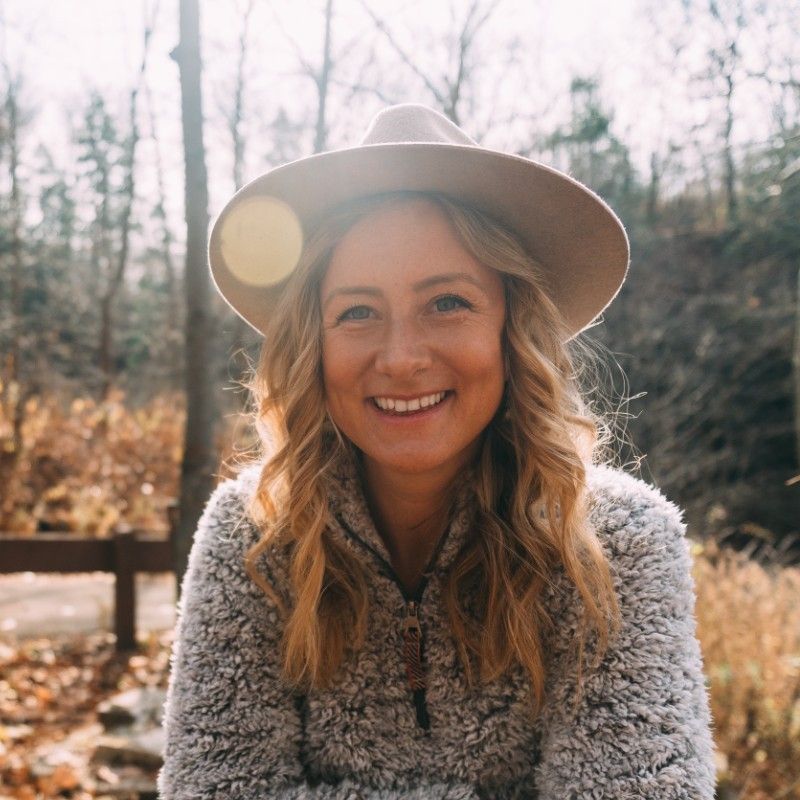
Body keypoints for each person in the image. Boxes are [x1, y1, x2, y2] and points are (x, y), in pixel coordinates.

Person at [157, 104, 716, 799]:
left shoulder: (618, 544)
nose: (401, 358)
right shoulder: (252, 537)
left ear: (514, 329)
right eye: (357, 312)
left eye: (447, 302)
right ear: (313, 345)